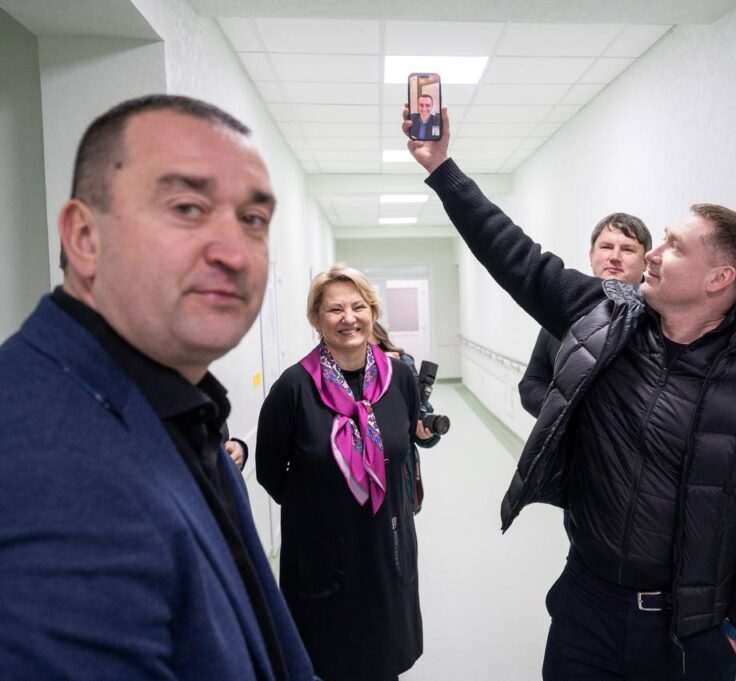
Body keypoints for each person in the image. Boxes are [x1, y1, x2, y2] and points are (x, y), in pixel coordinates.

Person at [404, 106, 736, 680]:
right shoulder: (604, 318)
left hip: (690, 630)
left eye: (673, 246)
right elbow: (517, 259)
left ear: (719, 278)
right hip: (587, 606)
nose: (652, 253)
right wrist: (442, 168)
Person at [0, 94, 314, 679]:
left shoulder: (176, 406)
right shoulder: (50, 470)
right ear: (84, 237)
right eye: (188, 208)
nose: (234, 253)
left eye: (253, 220)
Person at [256, 265, 425, 681]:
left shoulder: (400, 378)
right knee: (327, 661)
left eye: (358, 307)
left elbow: (403, 450)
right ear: (317, 319)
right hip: (322, 551)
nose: (349, 318)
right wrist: (320, 506)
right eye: (335, 309)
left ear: (373, 312)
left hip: (386, 546)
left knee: (383, 662)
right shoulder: (294, 388)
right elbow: (269, 470)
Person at [518, 212, 651, 417]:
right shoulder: (565, 310)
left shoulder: (657, 318)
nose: (615, 257)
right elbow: (531, 384)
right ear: (591, 256)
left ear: (646, 263)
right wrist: (567, 418)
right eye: (606, 247)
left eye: (628, 249)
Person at [372, 319, 442, 513]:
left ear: (379, 338)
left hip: (401, 473)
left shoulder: (402, 365)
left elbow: (421, 411)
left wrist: (425, 434)